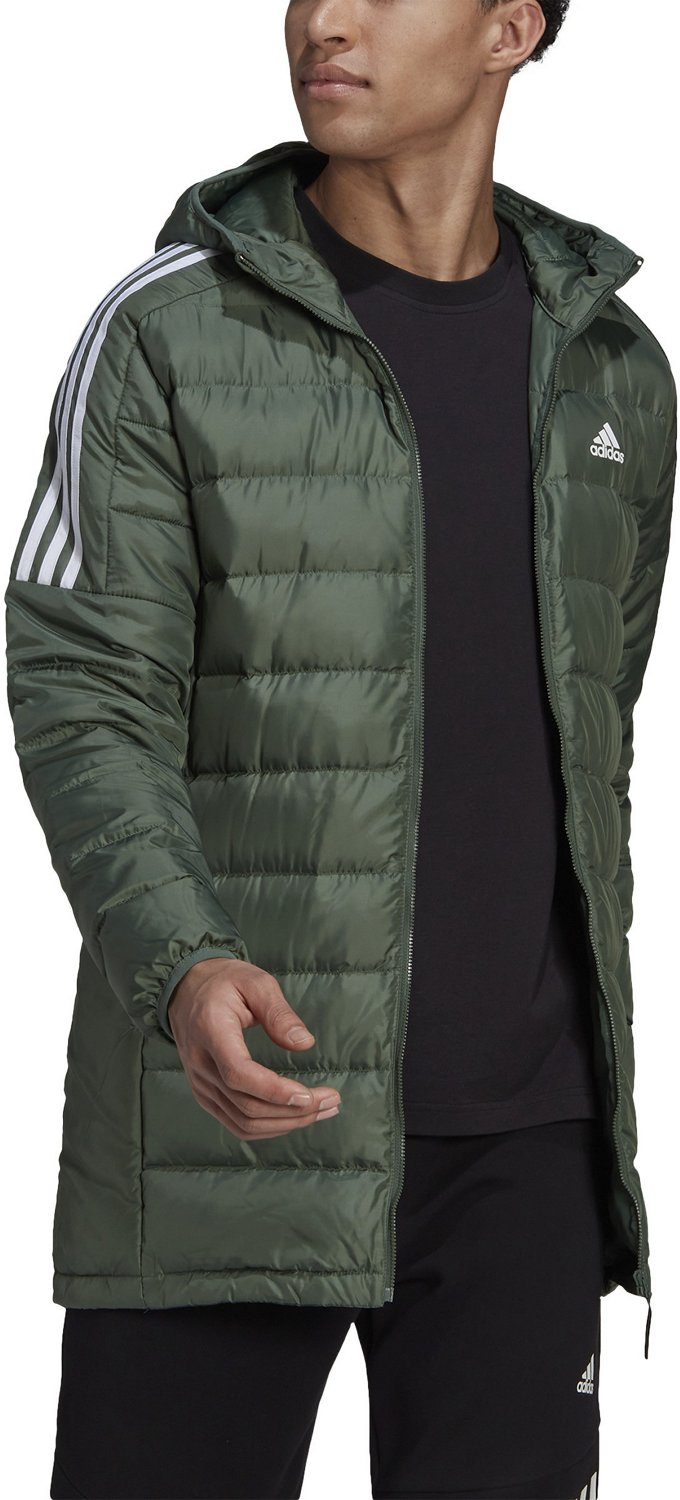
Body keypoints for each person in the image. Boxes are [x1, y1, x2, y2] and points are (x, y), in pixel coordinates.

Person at [4, 2, 675, 1497]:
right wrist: (183, 963)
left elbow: (598, 744)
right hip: (228, 1129)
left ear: (510, 29)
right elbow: (81, 684)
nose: (324, 18)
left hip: (527, 1149)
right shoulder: (168, 329)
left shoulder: (613, 369)